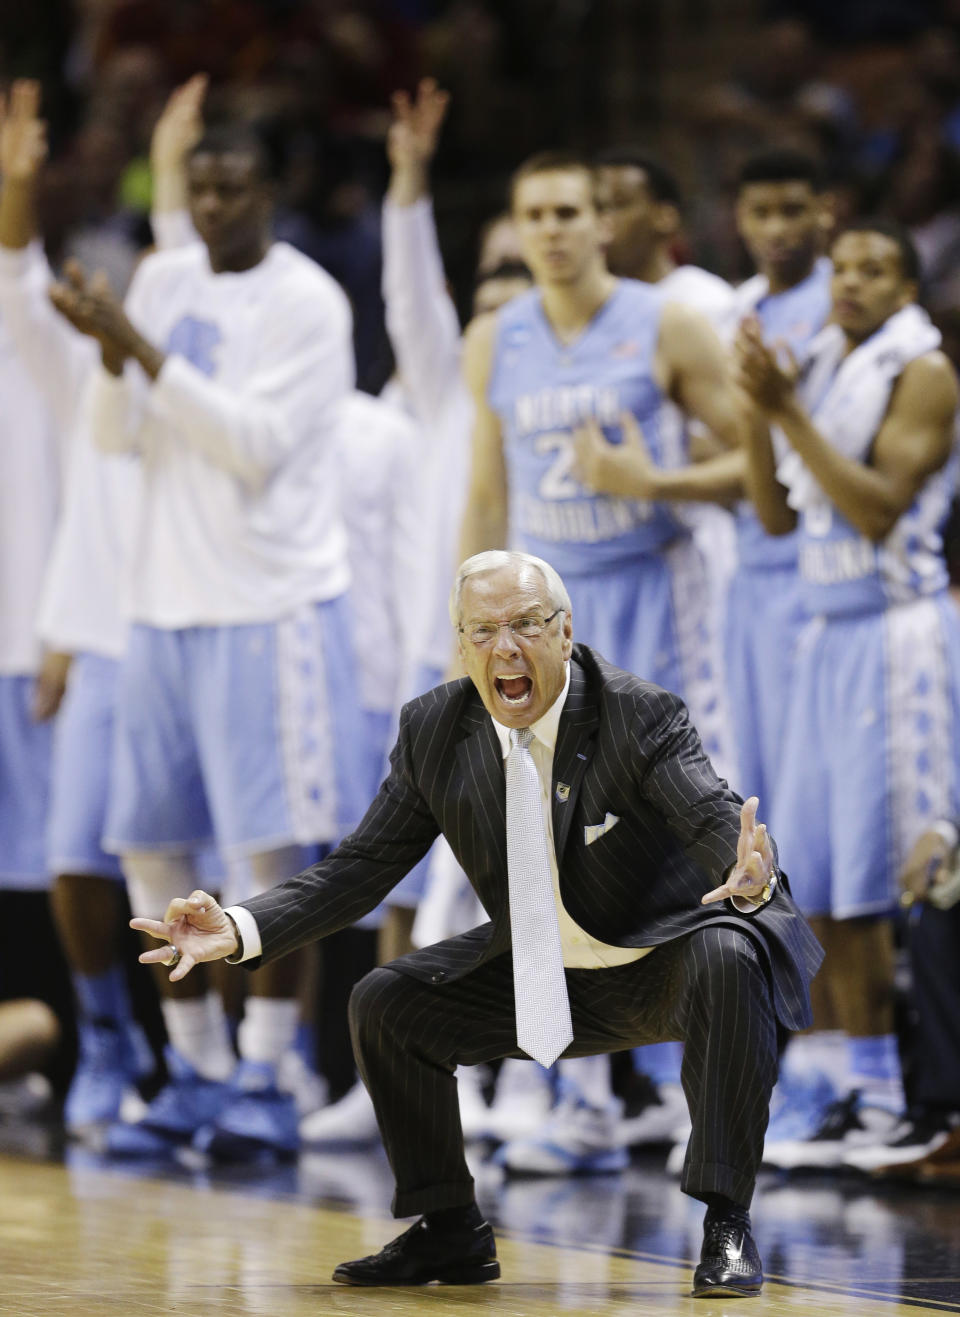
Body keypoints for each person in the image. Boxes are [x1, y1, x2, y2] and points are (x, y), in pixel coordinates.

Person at [134, 550, 822, 1298]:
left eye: (526, 624)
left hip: (661, 959)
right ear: (462, 646)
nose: (506, 647)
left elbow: (712, 815)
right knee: (387, 1001)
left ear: (565, 633)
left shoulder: (639, 713)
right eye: (484, 630)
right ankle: (449, 1229)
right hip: (537, 968)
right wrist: (238, 926)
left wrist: (750, 870)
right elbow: (360, 867)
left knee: (730, 953)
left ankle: (727, 1222)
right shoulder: (434, 728)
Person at [47, 112, 367, 1162]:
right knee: (148, 847)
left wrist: (133, 344)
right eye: (200, 184)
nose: (213, 204)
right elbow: (113, 439)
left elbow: (253, 447)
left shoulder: (307, 302)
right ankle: (197, 1068)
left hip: (267, 610)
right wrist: (109, 358)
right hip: (158, 609)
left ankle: (273, 1070)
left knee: (270, 862)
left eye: (233, 186)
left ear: (271, 189)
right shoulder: (164, 278)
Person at [459, 149, 742, 1171]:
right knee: (551, 857)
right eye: (534, 212)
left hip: (656, 602)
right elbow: (487, 496)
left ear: (602, 222)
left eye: (571, 210)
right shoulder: (494, 338)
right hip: (545, 621)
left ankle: (699, 1091)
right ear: (518, 223)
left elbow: (756, 461)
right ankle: (580, 1096)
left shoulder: (665, 321)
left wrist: (648, 478)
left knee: (680, 850)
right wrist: (470, 636)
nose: (554, 228)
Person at [0, 76, 210, 1139]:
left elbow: (193, 274)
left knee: (178, 874)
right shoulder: (78, 387)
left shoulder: (198, 390)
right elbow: (17, 280)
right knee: (80, 864)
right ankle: (111, 1045)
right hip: (96, 642)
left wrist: (174, 175)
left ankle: (198, 1064)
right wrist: (18, 188)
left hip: (194, 641)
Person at [737, 218, 960, 1170]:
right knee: (820, 875)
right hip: (821, 634)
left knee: (896, 874)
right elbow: (775, 512)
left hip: (895, 632)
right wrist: (756, 407)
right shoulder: (822, 363)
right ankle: (861, 1093)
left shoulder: (925, 371)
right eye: (844, 268)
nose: (852, 282)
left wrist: (783, 411)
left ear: (907, 288)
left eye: (876, 268)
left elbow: (875, 510)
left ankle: (927, 1101)